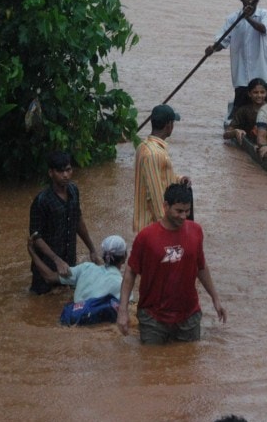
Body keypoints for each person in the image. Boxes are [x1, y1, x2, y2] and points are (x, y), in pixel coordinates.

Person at [117, 183, 227, 345]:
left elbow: (201, 267)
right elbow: (130, 272)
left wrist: (215, 299)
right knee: (152, 366)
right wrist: (123, 310)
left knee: (188, 365)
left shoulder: (196, 232)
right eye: (179, 211)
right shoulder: (146, 237)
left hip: (189, 316)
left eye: (187, 211)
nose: (183, 216)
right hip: (153, 318)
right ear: (165, 206)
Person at [28, 150, 99, 295]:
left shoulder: (74, 191)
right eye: (60, 171)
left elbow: (78, 219)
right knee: (40, 303)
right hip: (46, 265)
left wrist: (92, 249)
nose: (65, 175)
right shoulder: (41, 201)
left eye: (68, 170)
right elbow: (35, 237)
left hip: (69, 262)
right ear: (51, 173)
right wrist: (56, 260)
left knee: (66, 302)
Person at [205, 0, 267, 117]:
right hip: (242, 76)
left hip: (262, 73)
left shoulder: (265, 15)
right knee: (238, 112)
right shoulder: (232, 19)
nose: (249, 1)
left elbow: (263, 29)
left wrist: (247, 18)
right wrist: (213, 48)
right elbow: (222, 42)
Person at [133, 104, 191, 233]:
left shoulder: (143, 146)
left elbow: (160, 177)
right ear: (169, 125)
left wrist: (179, 179)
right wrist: (166, 227)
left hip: (148, 225)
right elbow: (155, 194)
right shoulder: (154, 154)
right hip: (152, 226)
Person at [27, 234, 127, 301]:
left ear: (102, 255)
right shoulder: (122, 285)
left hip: (75, 318)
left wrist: (32, 252)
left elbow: (49, 277)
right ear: (124, 258)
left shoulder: (85, 268)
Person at [223, 78, 267, 144]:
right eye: (255, 92)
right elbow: (226, 134)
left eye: (262, 92)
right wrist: (235, 132)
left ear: (266, 93)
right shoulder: (243, 111)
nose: (259, 95)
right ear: (249, 94)